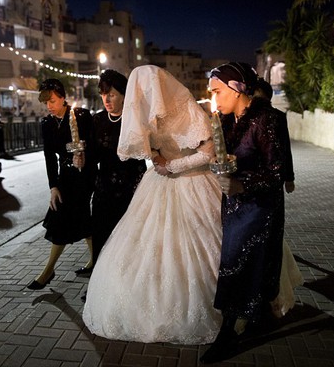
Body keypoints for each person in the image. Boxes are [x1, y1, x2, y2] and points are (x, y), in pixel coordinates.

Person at [82, 65, 224, 345]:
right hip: (159, 184)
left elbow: (210, 151)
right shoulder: (147, 117)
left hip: (193, 183)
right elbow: (147, 150)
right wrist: (157, 155)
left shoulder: (187, 107)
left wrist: (174, 165)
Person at [200, 62, 302, 363]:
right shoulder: (228, 122)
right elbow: (227, 158)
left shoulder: (266, 120)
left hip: (259, 209)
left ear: (236, 88)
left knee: (238, 263)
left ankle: (228, 332)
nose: (214, 98)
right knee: (240, 263)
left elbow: (275, 172)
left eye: (217, 91)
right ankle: (255, 315)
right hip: (234, 206)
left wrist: (240, 185)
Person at [26, 78, 96, 290]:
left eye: (53, 100)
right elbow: (49, 157)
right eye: (46, 102)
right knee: (80, 219)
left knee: (64, 218)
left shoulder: (81, 116)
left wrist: (85, 154)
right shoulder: (47, 123)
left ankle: (48, 271)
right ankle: (96, 261)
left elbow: (94, 144)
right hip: (65, 177)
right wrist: (53, 186)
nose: (49, 106)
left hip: (84, 175)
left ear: (63, 98)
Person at [75, 70, 146, 273]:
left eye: (112, 94)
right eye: (103, 94)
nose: (106, 99)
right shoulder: (97, 120)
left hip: (130, 191)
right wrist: (81, 158)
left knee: (125, 240)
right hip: (104, 190)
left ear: (125, 95)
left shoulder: (135, 120)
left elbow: (143, 156)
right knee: (101, 236)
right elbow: (93, 157)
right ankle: (98, 284)